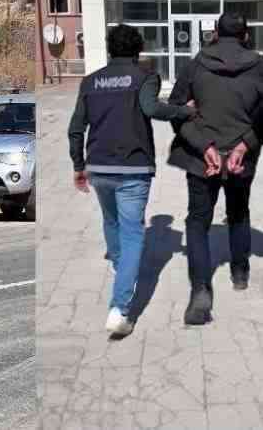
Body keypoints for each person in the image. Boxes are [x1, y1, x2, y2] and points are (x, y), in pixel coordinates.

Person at [68, 24, 196, 335]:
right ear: (138, 49)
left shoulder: (90, 81)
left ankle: (117, 264)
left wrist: (78, 165)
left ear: (110, 49)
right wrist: (185, 111)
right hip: (132, 168)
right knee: (133, 234)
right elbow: (152, 109)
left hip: (98, 166)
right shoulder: (144, 77)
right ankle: (120, 309)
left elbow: (75, 128)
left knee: (111, 220)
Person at [167, 12, 263, 325]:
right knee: (238, 213)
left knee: (197, 221)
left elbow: (177, 113)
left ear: (214, 34)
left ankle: (200, 290)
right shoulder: (259, 66)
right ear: (246, 35)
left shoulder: (195, 65)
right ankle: (239, 272)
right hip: (241, 159)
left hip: (200, 157)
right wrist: (243, 146)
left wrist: (205, 146)